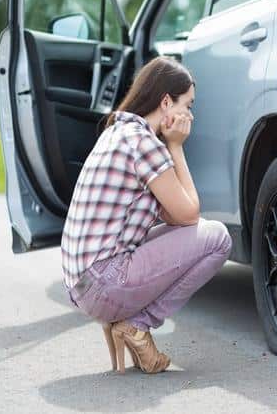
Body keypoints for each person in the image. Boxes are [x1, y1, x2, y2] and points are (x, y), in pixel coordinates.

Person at [60, 56, 233, 374]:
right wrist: (177, 147)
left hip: (84, 281)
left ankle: (129, 325)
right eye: (188, 105)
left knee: (194, 233)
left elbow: (174, 216)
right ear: (166, 102)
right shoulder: (144, 144)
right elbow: (190, 214)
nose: (190, 115)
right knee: (218, 238)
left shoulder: (119, 132)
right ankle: (136, 324)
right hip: (103, 282)